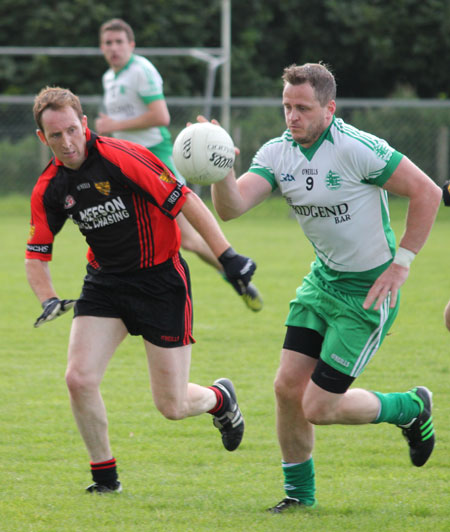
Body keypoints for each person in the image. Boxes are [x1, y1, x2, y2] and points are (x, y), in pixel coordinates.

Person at [209, 63, 442, 512]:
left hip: (368, 295)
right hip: (322, 282)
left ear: (329, 108)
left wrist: (402, 266)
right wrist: (220, 168)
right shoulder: (278, 153)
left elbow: (427, 192)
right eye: (286, 107)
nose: (292, 117)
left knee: (317, 405)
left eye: (302, 108)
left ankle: (411, 408)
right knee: (285, 389)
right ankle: (299, 496)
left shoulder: (357, 148)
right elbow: (232, 207)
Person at [25, 86, 252, 493]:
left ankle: (220, 399)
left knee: (172, 405)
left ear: (85, 125)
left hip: (160, 282)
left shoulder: (121, 157)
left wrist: (228, 256)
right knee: (78, 378)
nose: (67, 142)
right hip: (105, 284)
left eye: (72, 130)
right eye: (55, 136)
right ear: (43, 139)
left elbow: (186, 202)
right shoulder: (50, 187)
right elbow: (36, 255)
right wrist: (48, 298)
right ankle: (105, 478)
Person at [94, 18, 263, 312]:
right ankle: (230, 269)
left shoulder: (141, 71)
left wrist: (113, 124)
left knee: (187, 239)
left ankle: (233, 268)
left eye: (119, 42)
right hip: (127, 167)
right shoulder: (110, 78)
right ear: (101, 47)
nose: (114, 48)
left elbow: (161, 116)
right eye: (108, 43)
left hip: (155, 164)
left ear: (131, 45)